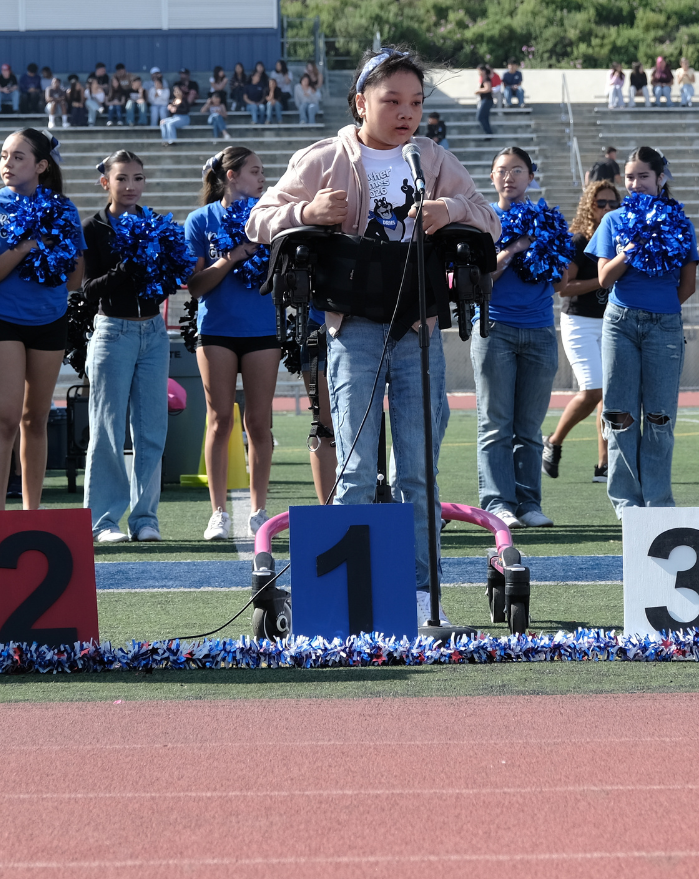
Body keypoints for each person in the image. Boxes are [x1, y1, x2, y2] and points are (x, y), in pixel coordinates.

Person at [247, 46, 500, 625]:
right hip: (353, 328)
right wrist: (307, 211)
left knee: (418, 472)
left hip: (418, 329)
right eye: (392, 101)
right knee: (356, 469)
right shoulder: (324, 157)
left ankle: (421, 599)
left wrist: (450, 208)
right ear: (361, 102)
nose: (406, 113)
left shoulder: (432, 158)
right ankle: (344, 605)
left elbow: (490, 219)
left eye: (415, 102)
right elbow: (258, 219)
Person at [0, 131, 85, 512]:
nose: (8, 163)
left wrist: (55, 249)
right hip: (2, 321)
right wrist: (26, 246)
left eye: (18, 157)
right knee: (5, 418)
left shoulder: (64, 209)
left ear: (41, 165)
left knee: (36, 419)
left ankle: (33, 513)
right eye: (4, 156)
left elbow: (75, 280)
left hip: (50, 320)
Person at [589, 148, 698, 515]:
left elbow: (688, 285)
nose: (635, 183)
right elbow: (604, 278)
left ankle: (658, 500)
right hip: (620, 323)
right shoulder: (613, 220)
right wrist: (631, 249)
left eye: (643, 176)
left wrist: (660, 310)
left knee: (659, 417)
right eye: (630, 177)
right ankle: (626, 502)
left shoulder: (679, 222)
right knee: (619, 414)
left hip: (664, 325)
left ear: (660, 178)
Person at [80, 150, 181, 543]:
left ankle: (145, 519)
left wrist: (165, 270)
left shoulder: (155, 223)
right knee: (107, 431)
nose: (131, 186)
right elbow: (87, 289)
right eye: (122, 178)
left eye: (137, 178)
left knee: (152, 430)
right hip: (112, 333)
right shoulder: (93, 228)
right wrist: (126, 269)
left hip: (153, 333)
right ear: (105, 182)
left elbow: (170, 278)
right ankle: (103, 521)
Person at [184, 147, 278, 540]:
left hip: (262, 331)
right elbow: (195, 286)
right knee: (220, 419)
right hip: (216, 331)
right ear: (231, 176)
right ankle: (219, 512)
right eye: (255, 171)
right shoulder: (200, 220)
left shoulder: (270, 216)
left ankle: (258, 511)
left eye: (262, 171)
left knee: (258, 421)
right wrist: (233, 257)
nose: (262, 177)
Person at [473, 147, 560, 529]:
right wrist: (512, 249)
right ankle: (497, 504)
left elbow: (560, 279)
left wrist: (546, 253)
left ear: (531, 176)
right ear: (492, 176)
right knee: (496, 424)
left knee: (529, 427)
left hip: (540, 329)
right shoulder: (482, 220)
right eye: (502, 170)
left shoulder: (547, 219)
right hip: (495, 329)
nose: (509, 177)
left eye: (518, 170)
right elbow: (479, 279)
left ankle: (528, 504)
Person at [544, 180, 620, 485]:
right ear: (590, 206)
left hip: (611, 321)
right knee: (593, 390)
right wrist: (602, 280)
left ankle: (604, 464)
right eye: (601, 203)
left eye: (613, 203)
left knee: (609, 395)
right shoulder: (579, 240)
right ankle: (554, 441)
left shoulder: (619, 237)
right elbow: (564, 288)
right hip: (580, 323)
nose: (607, 208)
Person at [160, 75, 197, 145]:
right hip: (175, 117)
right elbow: (172, 113)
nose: (176, 93)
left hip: (183, 118)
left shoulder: (184, 100)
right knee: (163, 122)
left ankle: (172, 141)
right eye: (175, 91)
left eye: (178, 91)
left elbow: (186, 110)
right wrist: (170, 109)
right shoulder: (173, 101)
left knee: (170, 124)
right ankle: (165, 140)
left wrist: (176, 110)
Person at [475, 64, 497, 135]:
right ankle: (488, 134)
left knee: (480, 117)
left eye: (479, 71)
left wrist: (478, 91)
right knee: (485, 118)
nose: (479, 73)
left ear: (483, 71)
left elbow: (488, 89)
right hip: (485, 100)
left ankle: (489, 132)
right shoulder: (484, 79)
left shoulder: (486, 79)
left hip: (487, 100)